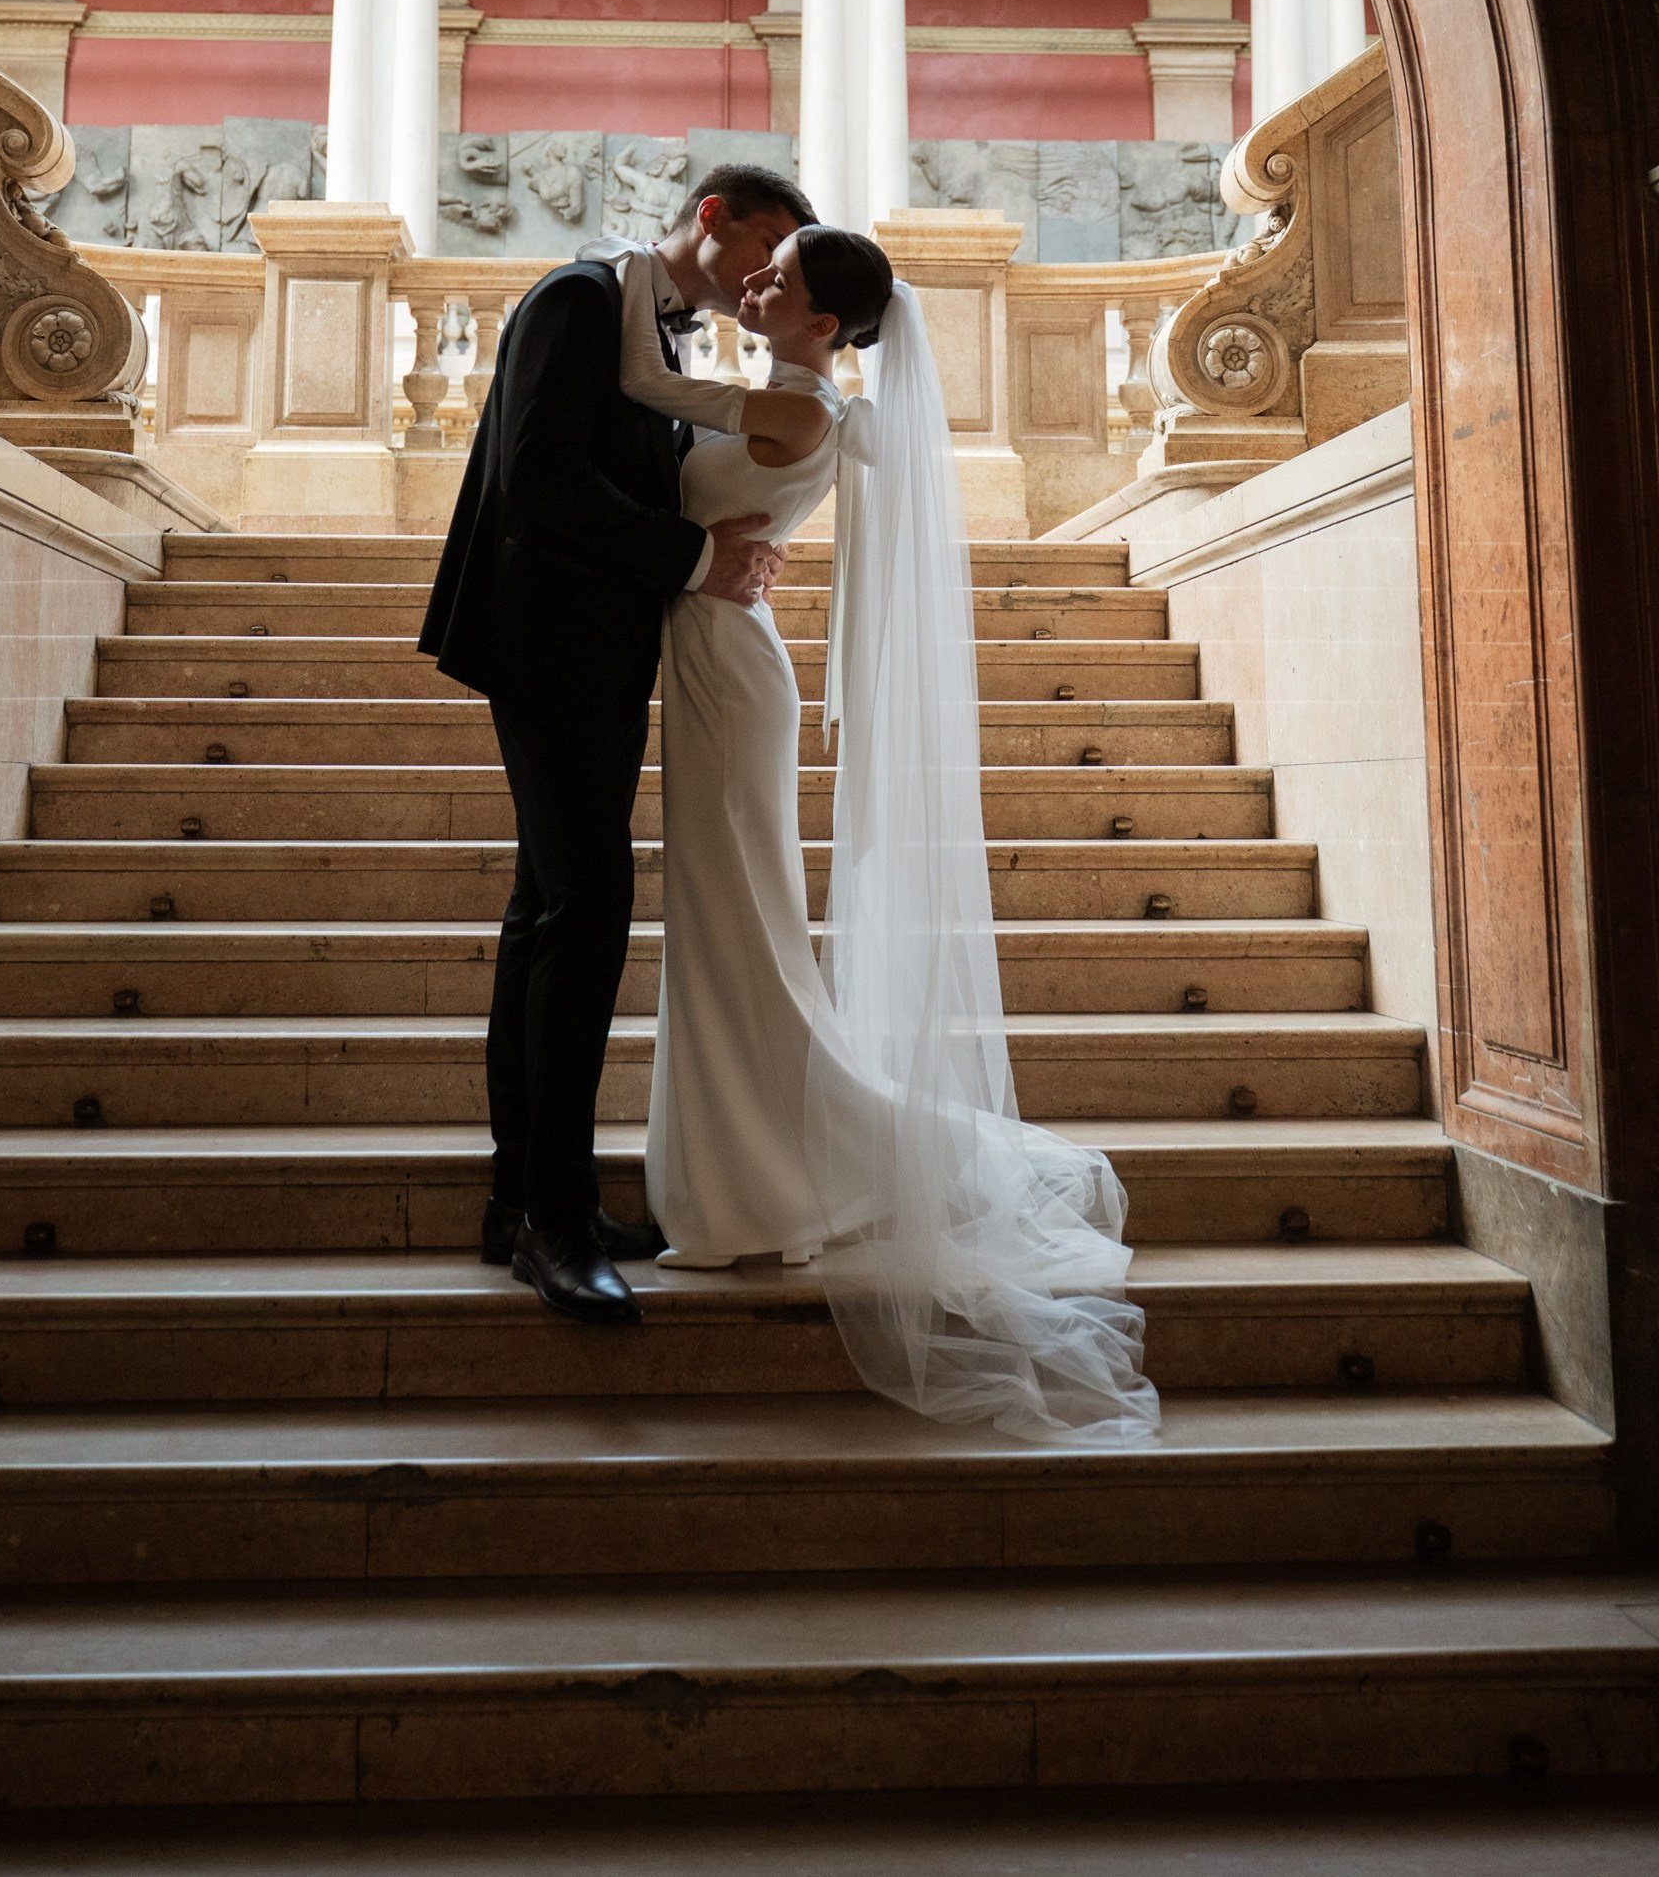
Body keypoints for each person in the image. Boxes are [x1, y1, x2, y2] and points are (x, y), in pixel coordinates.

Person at [614, 225, 1158, 1446]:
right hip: (710, 652)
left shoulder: (799, 408)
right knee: (726, 925)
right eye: (755, 273)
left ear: (822, 319)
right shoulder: (794, 395)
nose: (753, 283)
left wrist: (631, 277)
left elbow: (645, 383)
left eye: (777, 277)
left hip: (728, 666)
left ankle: (773, 1177)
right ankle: (759, 1170)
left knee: (737, 926)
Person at [419, 162, 816, 1327]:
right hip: (542, 637)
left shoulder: (665, 337)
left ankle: (531, 1202)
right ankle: (551, 1219)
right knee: (585, 907)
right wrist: (696, 562)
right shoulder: (578, 300)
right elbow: (536, 478)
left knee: (550, 907)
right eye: (766, 247)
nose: (767, 276)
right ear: (713, 218)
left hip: (597, 646)